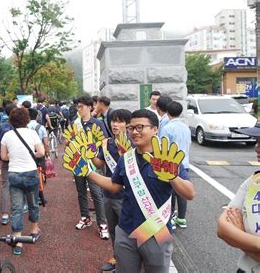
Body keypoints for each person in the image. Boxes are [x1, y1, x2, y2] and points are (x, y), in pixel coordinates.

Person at [79, 109, 195, 273]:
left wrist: (172, 177)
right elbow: (114, 185)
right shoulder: (126, 158)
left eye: (140, 127)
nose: (134, 132)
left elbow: (190, 193)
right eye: (131, 128)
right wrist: (87, 172)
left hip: (157, 232)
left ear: (155, 129)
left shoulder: (167, 159)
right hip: (126, 230)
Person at [0, 107, 45, 255]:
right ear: (26, 119)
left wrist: (14, 155)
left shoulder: (7, 135)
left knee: (16, 208)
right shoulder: (32, 133)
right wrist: (29, 154)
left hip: (14, 174)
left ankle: (18, 241)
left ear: (11, 120)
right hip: (30, 174)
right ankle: (33, 230)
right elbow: (41, 152)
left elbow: (3, 157)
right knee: (33, 204)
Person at [217, 123, 260, 273]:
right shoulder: (253, 181)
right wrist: (256, 243)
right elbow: (223, 228)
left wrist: (241, 236)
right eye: (257, 142)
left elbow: (232, 233)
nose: (257, 148)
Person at [93, 109, 132, 272]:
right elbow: (99, 165)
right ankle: (116, 257)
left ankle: (131, 263)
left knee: (128, 233)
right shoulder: (107, 143)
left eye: (120, 121)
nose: (115, 124)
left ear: (128, 125)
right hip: (109, 193)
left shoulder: (134, 144)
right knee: (113, 230)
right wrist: (88, 153)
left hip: (128, 197)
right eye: (113, 121)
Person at [72, 95, 110, 240]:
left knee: (96, 194)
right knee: (81, 192)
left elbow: (104, 141)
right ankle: (85, 217)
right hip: (78, 163)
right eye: (78, 106)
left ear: (89, 107)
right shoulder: (75, 123)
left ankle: (102, 224)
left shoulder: (97, 123)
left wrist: (94, 151)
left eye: (81, 106)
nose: (79, 109)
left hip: (93, 163)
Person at [160, 101, 191, 230]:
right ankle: (182, 219)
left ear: (167, 112)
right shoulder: (185, 127)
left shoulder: (167, 128)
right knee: (182, 192)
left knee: (170, 192)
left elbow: (162, 147)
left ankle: (170, 217)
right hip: (185, 163)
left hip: (171, 164)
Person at [0, 103, 16, 225]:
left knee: (5, 186)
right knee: (18, 185)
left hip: (5, 159)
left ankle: (4, 214)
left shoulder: (3, 126)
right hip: (17, 159)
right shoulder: (20, 126)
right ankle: (16, 210)